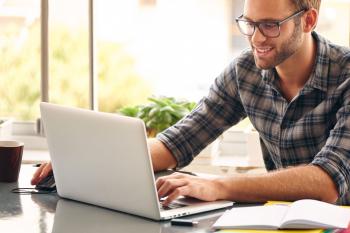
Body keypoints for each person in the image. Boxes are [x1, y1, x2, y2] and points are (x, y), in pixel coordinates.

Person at [32, 0, 350, 206]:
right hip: (281, 221)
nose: (255, 38)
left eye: (270, 26)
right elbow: (181, 140)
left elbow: (327, 182)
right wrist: (86, 161)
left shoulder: (345, 74)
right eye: (249, 24)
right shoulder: (245, 72)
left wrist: (218, 185)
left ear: (308, 20)